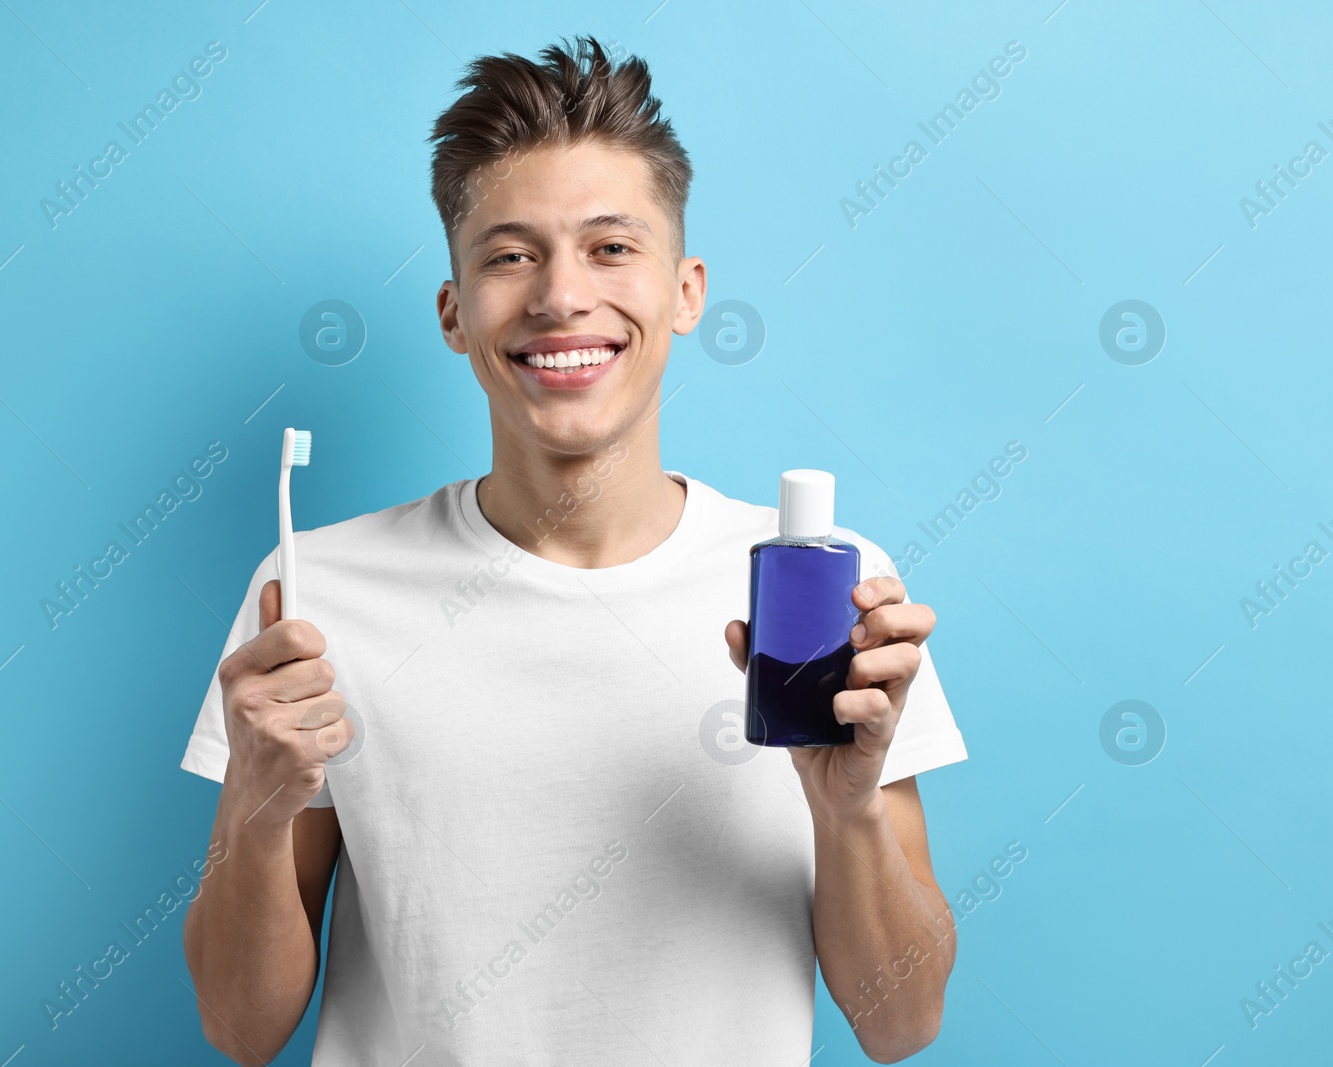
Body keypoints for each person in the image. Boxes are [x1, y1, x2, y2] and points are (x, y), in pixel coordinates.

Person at [180, 34, 967, 1066]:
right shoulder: (313, 596)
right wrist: (254, 799)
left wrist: (846, 808)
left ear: (684, 292)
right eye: (510, 254)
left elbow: (899, 1023)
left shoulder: (819, 589)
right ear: (455, 313)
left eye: (610, 247)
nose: (560, 296)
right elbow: (242, 1029)